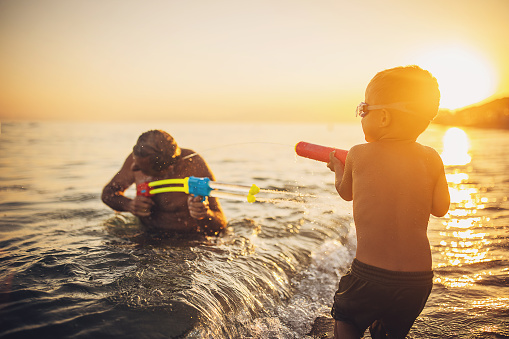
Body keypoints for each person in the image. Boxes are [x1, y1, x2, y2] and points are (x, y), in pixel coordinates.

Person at [327, 66, 450, 338]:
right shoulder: (432, 158)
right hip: (417, 282)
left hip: (369, 277)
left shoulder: (358, 154)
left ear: (382, 117)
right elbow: (441, 208)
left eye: (363, 109)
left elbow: (345, 192)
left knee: (347, 319)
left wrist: (338, 168)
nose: (361, 116)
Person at [102, 130, 227, 236]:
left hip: (187, 240)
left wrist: (204, 215)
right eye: (135, 161)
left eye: (143, 169)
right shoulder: (137, 158)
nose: (133, 168)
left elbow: (220, 225)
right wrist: (128, 205)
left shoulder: (194, 166)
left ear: (168, 169)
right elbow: (108, 194)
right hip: (145, 233)